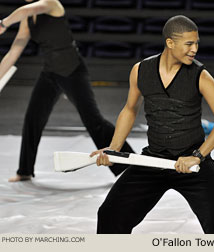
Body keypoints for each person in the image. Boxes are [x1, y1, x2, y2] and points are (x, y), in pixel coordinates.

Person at [90, 15, 214, 234]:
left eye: (197, 43)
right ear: (170, 43)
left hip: (192, 163)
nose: (195, 49)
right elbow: (130, 109)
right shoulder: (140, 70)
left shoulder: (201, 75)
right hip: (153, 159)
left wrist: (197, 156)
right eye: (189, 43)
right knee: (110, 214)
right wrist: (114, 148)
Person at [0, 0, 134, 182]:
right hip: (50, 73)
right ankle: (24, 170)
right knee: (33, 119)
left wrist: (4, 23)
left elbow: (30, 8)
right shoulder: (26, 18)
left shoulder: (51, 4)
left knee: (94, 121)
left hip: (73, 71)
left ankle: (129, 165)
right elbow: (13, 53)